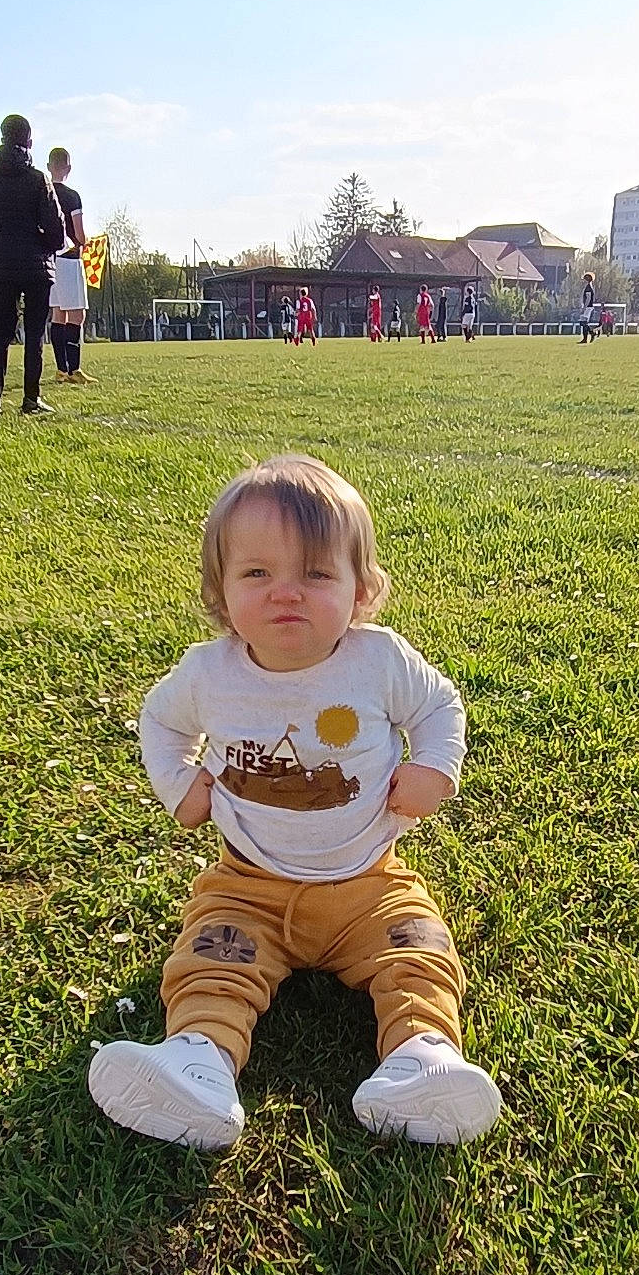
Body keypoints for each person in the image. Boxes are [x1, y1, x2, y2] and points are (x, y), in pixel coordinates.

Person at [86, 453, 502, 1152]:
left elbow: (438, 705)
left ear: (362, 591)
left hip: (369, 883)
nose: (287, 593)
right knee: (213, 958)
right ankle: (198, 1064)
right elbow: (160, 722)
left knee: (419, 951)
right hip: (248, 885)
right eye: (257, 573)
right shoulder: (207, 673)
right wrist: (181, 785)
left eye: (315, 573)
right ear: (220, 594)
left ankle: (423, 1058)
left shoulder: (379, 660)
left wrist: (434, 766)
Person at [0, 115, 66, 416]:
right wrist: (43, 244)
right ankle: (31, 398)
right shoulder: (38, 178)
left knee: (1, 334)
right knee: (35, 333)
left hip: (4, 266)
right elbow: (56, 230)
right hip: (37, 266)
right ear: (28, 140)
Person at [44, 146, 96, 386]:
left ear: (48, 166)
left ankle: (61, 370)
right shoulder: (72, 196)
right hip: (69, 258)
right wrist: (85, 242)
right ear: (69, 168)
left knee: (58, 313)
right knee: (77, 314)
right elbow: (79, 233)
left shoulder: (42, 192)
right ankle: (74, 369)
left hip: (49, 260)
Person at [577, 270, 598, 343]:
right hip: (587, 307)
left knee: (584, 323)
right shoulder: (589, 287)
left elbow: (588, 298)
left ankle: (592, 333)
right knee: (582, 323)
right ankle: (585, 338)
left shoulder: (589, 287)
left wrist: (584, 308)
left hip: (588, 307)